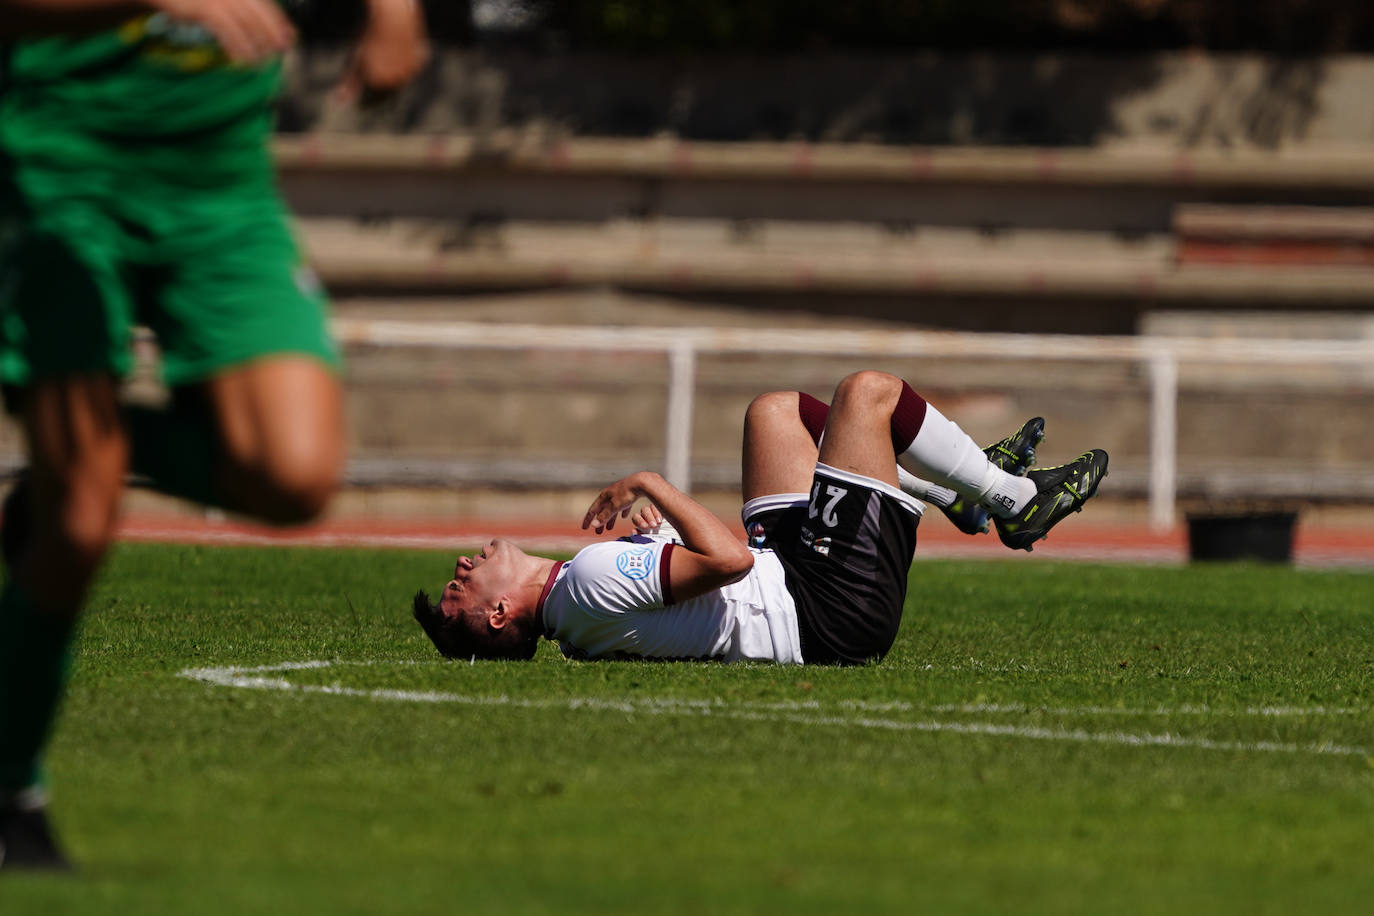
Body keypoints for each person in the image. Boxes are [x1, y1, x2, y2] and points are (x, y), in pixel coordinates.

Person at [0, 0, 429, 871]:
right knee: (79, 526)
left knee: (294, 476)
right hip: (56, 177)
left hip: (219, 186)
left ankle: (63, 475)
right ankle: (12, 795)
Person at [412, 370, 1108, 666]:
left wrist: (657, 536)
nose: (463, 565)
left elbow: (692, 591)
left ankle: (955, 494)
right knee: (866, 395)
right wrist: (653, 482)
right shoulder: (585, 583)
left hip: (794, 585)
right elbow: (729, 562)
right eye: (459, 587)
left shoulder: (577, 604)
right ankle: (1016, 502)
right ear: (500, 613)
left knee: (774, 411)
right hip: (826, 610)